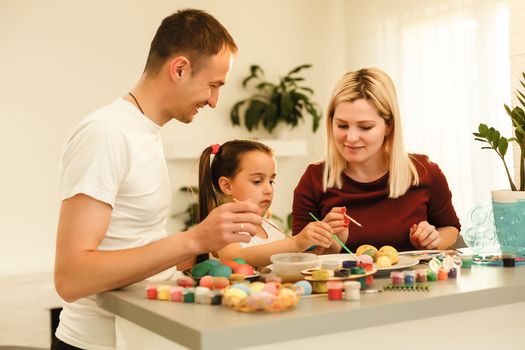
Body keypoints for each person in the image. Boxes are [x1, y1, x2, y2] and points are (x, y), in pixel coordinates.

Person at [53, 9, 263, 350]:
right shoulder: (106, 133)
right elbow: (71, 277)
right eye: (212, 85)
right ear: (179, 69)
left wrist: (198, 264)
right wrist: (195, 239)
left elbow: (131, 246)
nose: (214, 101)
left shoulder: (144, 132)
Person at [292, 68, 460, 254]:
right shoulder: (315, 179)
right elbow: (301, 255)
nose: (351, 137)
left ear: (388, 126)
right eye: (342, 125)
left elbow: (450, 228)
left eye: (365, 127)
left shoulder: (424, 172)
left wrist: (432, 241)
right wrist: (331, 243)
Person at [196, 140, 334, 267]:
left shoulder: (269, 225)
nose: (269, 189)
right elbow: (234, 258)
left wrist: (322, 239)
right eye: (257, 181)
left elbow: (290, 261)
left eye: (271, 181)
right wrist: (296, 243)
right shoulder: (223, 225)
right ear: (227, 186)